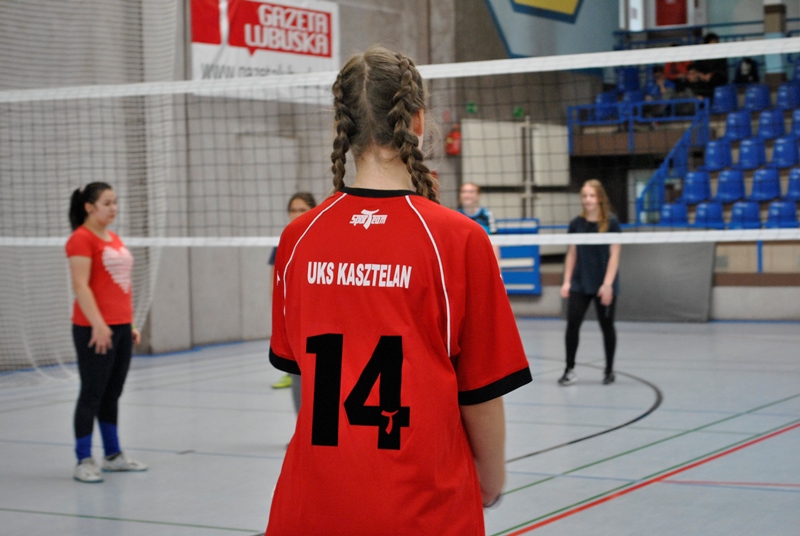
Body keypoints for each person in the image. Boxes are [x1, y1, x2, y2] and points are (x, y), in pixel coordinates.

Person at [266, 45, 532, 535]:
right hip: (421, 506)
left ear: (342, 125)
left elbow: (299, 369)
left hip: (310, 502)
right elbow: (480, 393)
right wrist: (491, 479)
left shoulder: (298, 237)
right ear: (418, 120)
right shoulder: (458, 239)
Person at [66, 182, 147, 483]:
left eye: (115, 202)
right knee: (92, 393)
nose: (114, 208)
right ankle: (83, 460)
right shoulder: (81, 239)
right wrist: (99, 325)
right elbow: (80, 285)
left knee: (112, 393)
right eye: (107, 203)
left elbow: (120, 287)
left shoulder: (113, 237)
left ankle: (113, 456)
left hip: (121, 327)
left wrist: (130, 324)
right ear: (89, 207)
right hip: (94, 329)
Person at [558, 179, 621, 386]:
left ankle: (609, 370)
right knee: (572, 324)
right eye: (584, 196)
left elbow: (615, 255)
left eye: (592, 196)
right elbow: (572, 254)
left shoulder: (611, 223)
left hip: (604, 283)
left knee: (607, 326)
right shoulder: (576, 223)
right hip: (580, 282)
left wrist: (608, 284)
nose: (588, 200)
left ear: (599, 197)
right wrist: (567, 281)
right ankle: (569, 370)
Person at [269, 192, 317, 416]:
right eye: (293, 210)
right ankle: (301, 427)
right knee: (298, 372)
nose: (296, 214)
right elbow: (276, 283)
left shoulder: (321, 237)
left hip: (318, 321)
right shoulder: (285, 240)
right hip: (296, 320)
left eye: (302, 210)